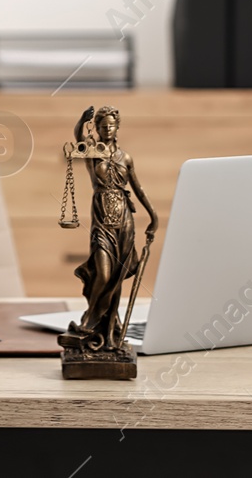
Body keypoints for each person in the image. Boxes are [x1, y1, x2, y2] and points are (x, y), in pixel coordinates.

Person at [63, 107, 157, 351]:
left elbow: (138, 189)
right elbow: (79, 139)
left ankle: (109, 335)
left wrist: (153, 216)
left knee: (117, 278)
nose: (107, 130)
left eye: (110, 125)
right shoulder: (94, 153)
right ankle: (90, 320)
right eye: (102, 126)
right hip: (102, 221)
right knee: (104, 275)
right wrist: (81, 121)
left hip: (125, 220)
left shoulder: (126, 158)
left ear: (117, 127)